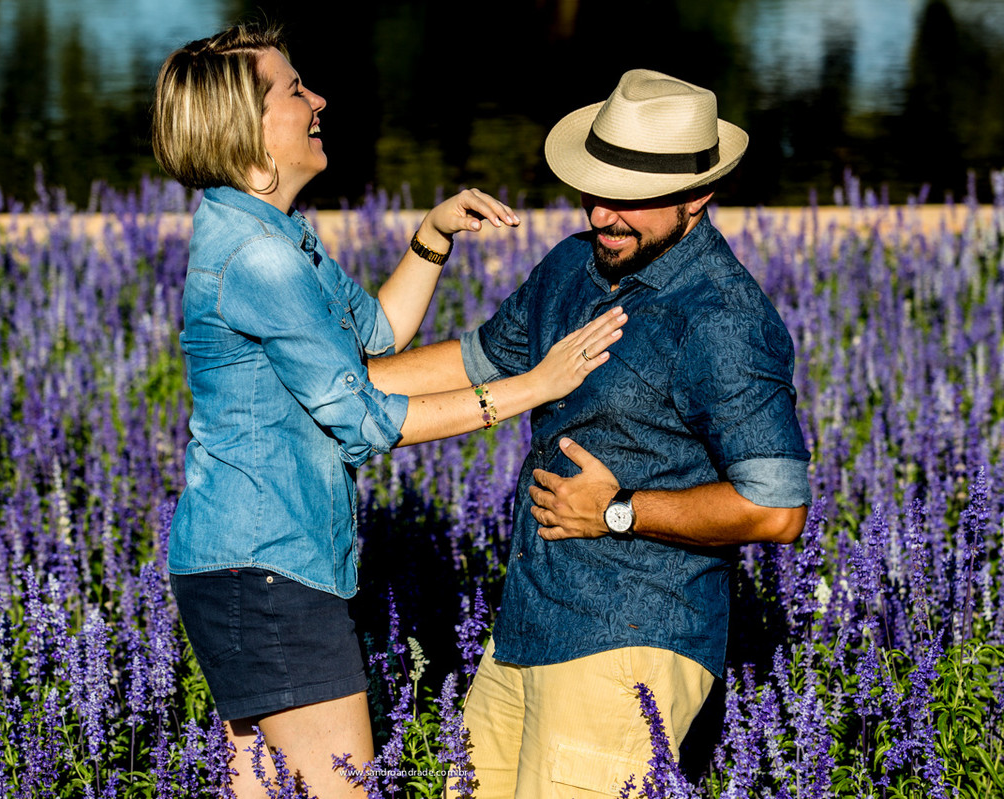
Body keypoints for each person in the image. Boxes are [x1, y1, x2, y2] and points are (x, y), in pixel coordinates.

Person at [150, 23, 628, 799]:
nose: (318, 100)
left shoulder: (272, 233)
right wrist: (531, 388)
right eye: (294, 90)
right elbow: (366, 417)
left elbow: (373, 334)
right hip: (268, 567)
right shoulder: (261, 257)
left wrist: (431, 238)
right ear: (247, 131)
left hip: (250, 564)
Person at [374, 69, 811, 798]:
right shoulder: (574, 266)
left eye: (632, 200)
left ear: (698, 196)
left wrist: (619, 509)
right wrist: (335, 381)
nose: (604, 213)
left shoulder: (723, 319)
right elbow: (473, 362)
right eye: (595, 189)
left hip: (629, 647)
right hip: (525, 631)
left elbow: (776, 508)